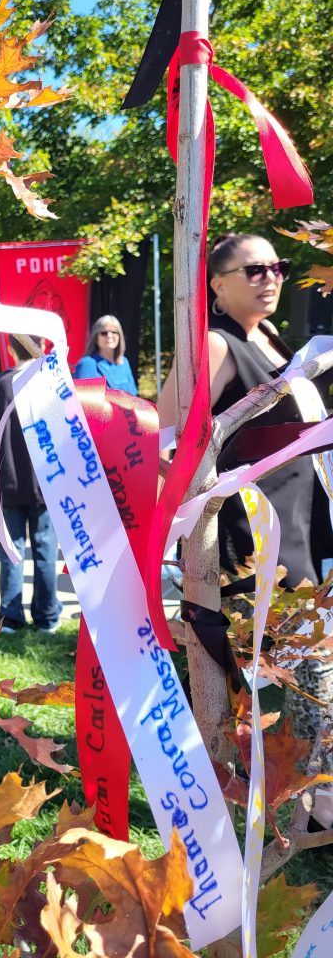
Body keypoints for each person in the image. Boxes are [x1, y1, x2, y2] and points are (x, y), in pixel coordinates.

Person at [158, 232, 333, 793]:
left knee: (300, 683)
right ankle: (299, 800)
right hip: (250, 548)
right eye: (254, 270)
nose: (271, 278)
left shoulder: (278, 343)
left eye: (277, 267)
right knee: (307, 683)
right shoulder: (216, 344)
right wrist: (200, 513)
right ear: (217, 285)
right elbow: (165, 439)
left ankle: (300, 800)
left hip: (301, 534)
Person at [0, 336, 63, 634]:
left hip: (5, 481)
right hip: (45, 482)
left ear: (10, 349)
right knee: (45, 549)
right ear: (40, 346)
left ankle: (10, 617)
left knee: (10, 550)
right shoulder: (50, 384)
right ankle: (47, 616)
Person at [72, 315, 138, 394]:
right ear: (96, 337)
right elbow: (82, 399)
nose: (109, 336)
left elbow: (134, 395)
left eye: (114, 332)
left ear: (119, 336)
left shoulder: (124, 362)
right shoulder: (86, 364)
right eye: (104, 333)